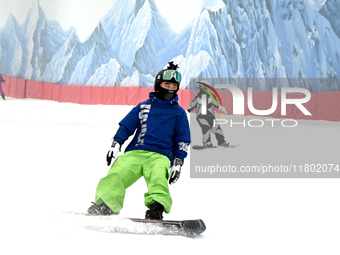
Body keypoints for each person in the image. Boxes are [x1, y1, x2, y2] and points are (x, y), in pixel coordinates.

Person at [88, 62, 190, 219]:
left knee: (158, 178)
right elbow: (127, 126)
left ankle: (156, 209)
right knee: (118, 171)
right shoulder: (143, 107)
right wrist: (116, 144)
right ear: (158, 84)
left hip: (161, 155)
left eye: (174, 85)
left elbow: (182, 139)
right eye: (166, 84)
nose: (170, 88)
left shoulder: (179, 113)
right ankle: (105, 205)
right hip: (135, 152)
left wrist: (178, 163)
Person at [187, 80, 229, 147]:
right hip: (201, 116)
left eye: (204, 86)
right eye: (201, 86)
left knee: (217, 128)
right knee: (206, 128)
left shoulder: (211, 96)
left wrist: (221, 108)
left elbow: (216, 103)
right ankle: (206, 142)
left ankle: (221, 142)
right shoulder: (197, 97)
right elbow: (191, 105)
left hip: (210, 116)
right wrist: (186, 112)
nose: (203, 87)